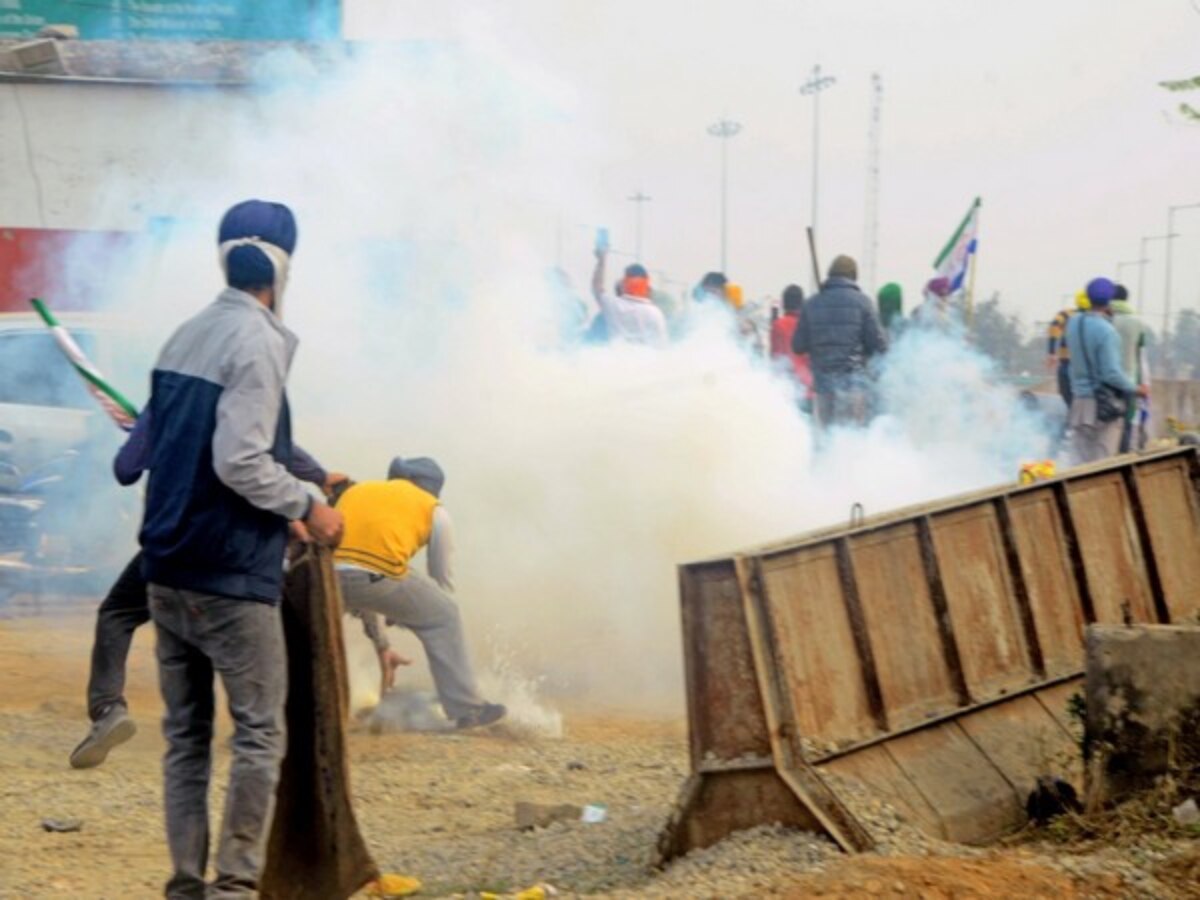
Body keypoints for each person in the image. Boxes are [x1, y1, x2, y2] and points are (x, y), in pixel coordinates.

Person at [140, 199, 345, 899]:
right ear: (284, 269)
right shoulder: (256, 340)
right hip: (228, 575)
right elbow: (239, 460)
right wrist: (307, 507)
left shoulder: (183, 335)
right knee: (259, 735)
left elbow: (168, 456)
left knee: (186, 737)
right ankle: (233, 889)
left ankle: (186, 883)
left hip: (166, 570)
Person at [68, 411, 343, 770]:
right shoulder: (248, 402)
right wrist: (317, 481)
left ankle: (108, 709)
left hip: (177, 545)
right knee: (238, 637)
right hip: (241, 551)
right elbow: (280, 453)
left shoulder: (168, 402)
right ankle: (264, 730)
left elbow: (126, 469)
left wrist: (148, 431)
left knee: (118, 614)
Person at [332, 457, 506, 730]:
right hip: (377, 576)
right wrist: (410, 609)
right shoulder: (432, 508)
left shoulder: (357, 491)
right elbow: (440, 575)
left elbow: (352, 574)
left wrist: (385, 638)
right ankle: (466, 708)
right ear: (432, 487)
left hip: (326, 576)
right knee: (444, 614)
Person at [791, 255, 887, 429]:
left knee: (827, 444)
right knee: (851, 442)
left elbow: (798, 345)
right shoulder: (863, 303)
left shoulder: (812, 303)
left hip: (822, 388)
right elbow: (879, 345)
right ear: (853, 276)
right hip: (853, 385)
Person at [1065, 277, 1148, 464]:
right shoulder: (1107, 332)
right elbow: (1111, 373)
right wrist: (1136, 389)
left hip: (1079, 402)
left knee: (1077, 464)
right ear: (1109, 302)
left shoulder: (1073, 323)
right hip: (1102, 407)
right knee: (1101, 464)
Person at [589, 248, 668, 347]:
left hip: (616, 359)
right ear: (647, 287)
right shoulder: (655, 313)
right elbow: (662, 346)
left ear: (625, 284)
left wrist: (601, 260)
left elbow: (596, 288)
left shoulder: (613, 305)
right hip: (645, 361)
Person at [1111, 284, 1152, 452]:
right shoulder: (1138, 323)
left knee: (1108, 425)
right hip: (1130, 381)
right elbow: (1141, 357)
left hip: (1108, 381)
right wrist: (1145, 384)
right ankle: (1123, 458)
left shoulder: (1106, 319)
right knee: (1127, 424)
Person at [769, 284, 813, 406]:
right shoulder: (809, 324)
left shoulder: (778, 325)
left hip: (788, 388)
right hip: (809, 387)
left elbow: (775, 357)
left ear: (784, 304)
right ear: (802, 303)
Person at [1047, 292, 1090, 410]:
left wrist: (1051, 352)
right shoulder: (1096, 319)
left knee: (1067, 395)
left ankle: (1072, 415)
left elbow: (1054, 326)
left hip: (1067, 364)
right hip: (1086, 367)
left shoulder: (1066, 314)